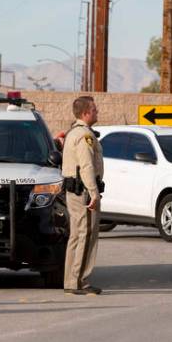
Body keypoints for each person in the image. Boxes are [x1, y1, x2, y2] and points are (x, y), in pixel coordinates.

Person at [62, 96, 104, 296]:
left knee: (76, 236)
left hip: (76, 191)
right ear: (86, 112)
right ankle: (79, 281)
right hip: (84, 193)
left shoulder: (74, 132)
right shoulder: (84, 135)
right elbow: (86, 166)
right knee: (85, 236)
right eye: (94, 110)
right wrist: (94, 193)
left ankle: (71, 281)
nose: (97, 113)